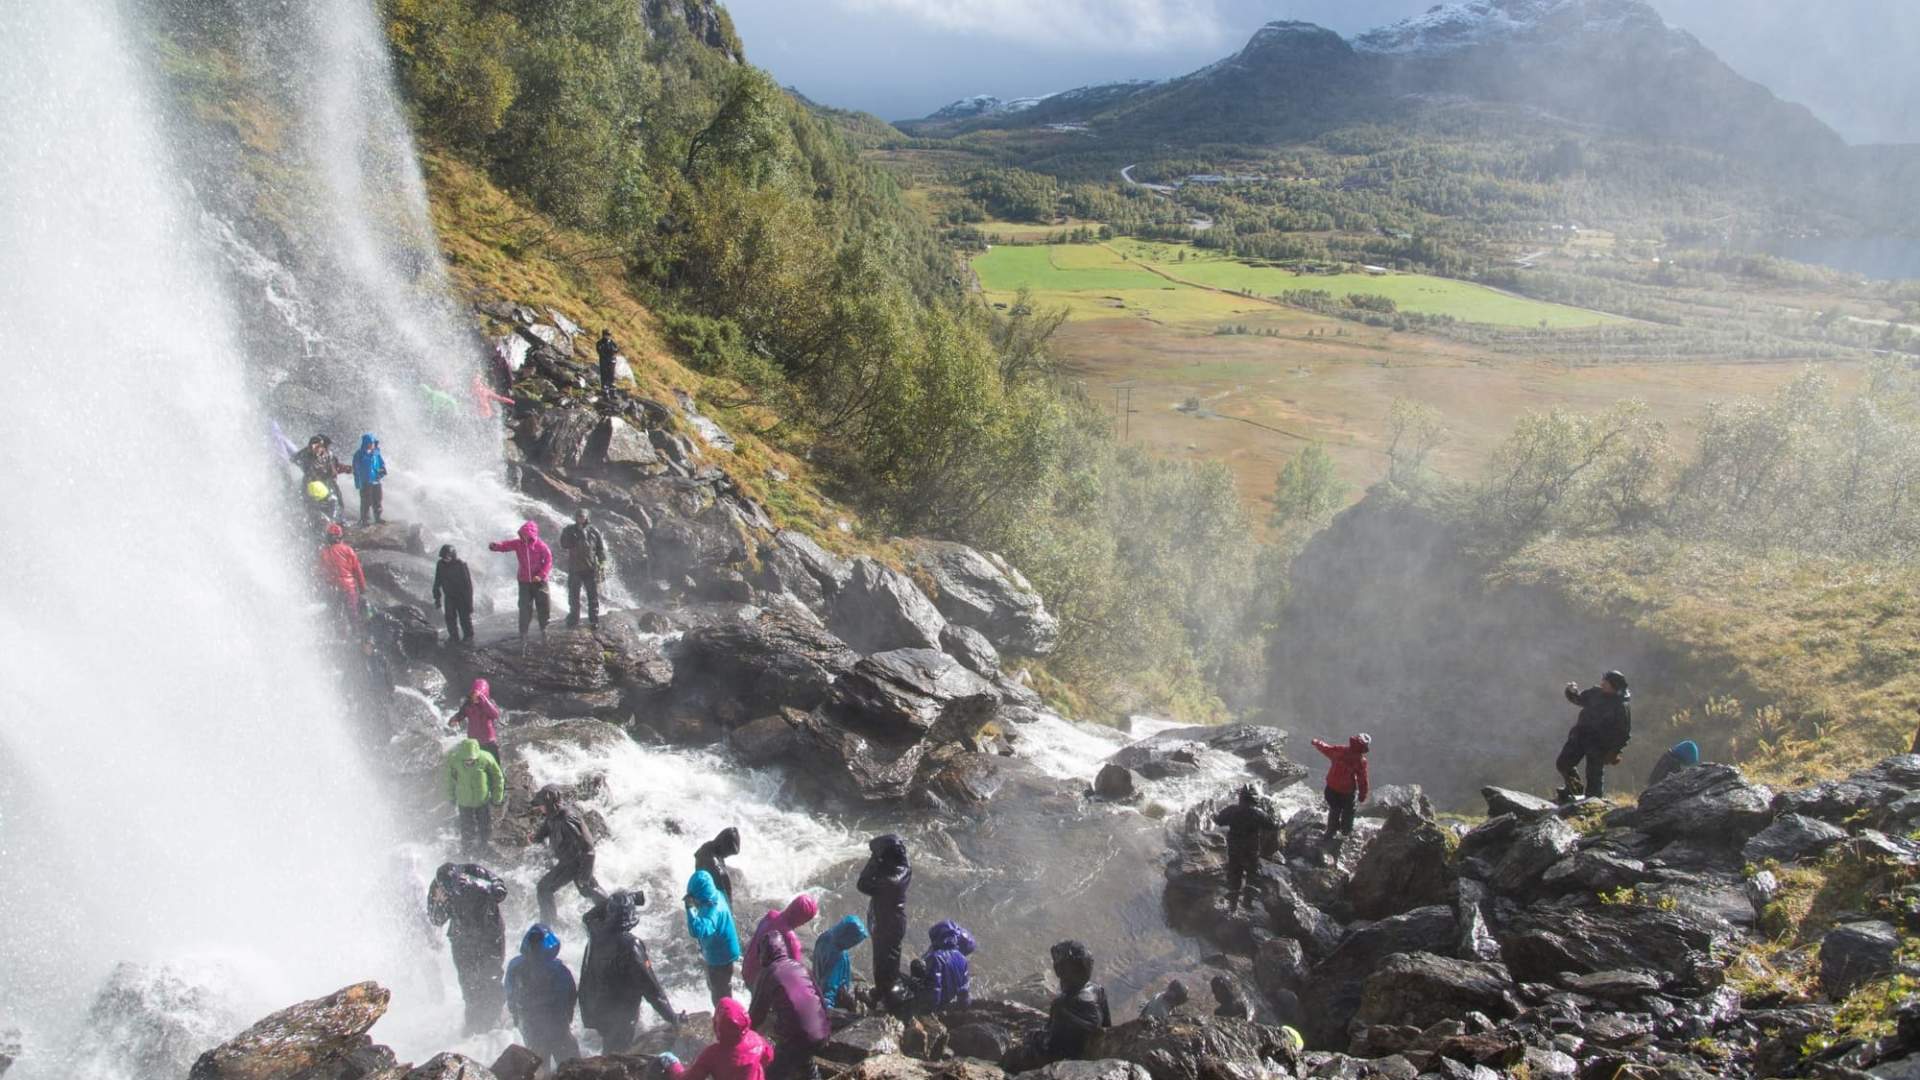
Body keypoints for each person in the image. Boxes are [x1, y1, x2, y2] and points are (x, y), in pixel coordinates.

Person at [580, 890, 681, 1054]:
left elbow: (588, 917)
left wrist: (615, 902)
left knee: (609, 1045)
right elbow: (651, 989)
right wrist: (673, 1018)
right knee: (618, 1052)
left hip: (597, 1008)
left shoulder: (596, 931)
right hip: (620, 1014)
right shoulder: (631, 946)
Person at [427, 862, 508, 1034]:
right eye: (448, 889)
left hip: (489, 934)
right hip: (462, 939)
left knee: (491, 976)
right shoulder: (437, 888)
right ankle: (473, 1022)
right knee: (468, 981)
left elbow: (501, 892)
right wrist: (439, 902)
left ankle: (495, 1017)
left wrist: (476, 885)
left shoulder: (474, 871)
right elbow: (436, 920)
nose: (453, 892)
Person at [505, 923, 581, 1070]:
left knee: (538, 1065)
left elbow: (510, 993)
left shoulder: (515, 965)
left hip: (529, 1024)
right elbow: (569, 995)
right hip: (557, 1025)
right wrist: (568, 1016)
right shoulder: (558, 969)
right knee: (572, 1066)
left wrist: (515, 1013)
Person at [531, 786, 608, 924]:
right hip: (567, 861)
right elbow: (546, 829)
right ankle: (611, 911)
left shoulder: (567, 819)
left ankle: (547, 925)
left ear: (549, 803)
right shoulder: (552, 816)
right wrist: (535, 838)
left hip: (577, 862)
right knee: (587, 890)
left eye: (542, 805)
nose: (540, 808)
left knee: (547, 888)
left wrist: (585, 873)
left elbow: (589, 849)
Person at [748, 956, 831, 1080]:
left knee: (773, 1073)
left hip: (798, 1038)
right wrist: (827, 1027)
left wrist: (745, 1035)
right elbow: (821, 1000)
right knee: (803, 1055)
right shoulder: (800, 967)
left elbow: (757, 1012)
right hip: (821, 1032)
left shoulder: (770, 972)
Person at [1557, 671, 1633, 801]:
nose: (1602, 683)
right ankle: (1574, 790)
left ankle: (1593, 802)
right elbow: (1579, 699)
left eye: (1606, 682)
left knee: (1594, 775)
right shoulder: (1595, 693)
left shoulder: (1621, 706)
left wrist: (1614, 752)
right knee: (1564, 763)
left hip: (1600, 744)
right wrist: (1571, 691)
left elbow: (1623, 733)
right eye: (1603, 680)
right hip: (1580, 736)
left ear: (1614, 686)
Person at [856, 834, 911, 1001]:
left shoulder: (888, 881)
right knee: (889, 959)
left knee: (882, 960)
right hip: (894, 920)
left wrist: (874, 860)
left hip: (886, 923)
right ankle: (886, 989)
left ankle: (884, 994)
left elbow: (862, 884)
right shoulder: (904, 868)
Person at [664, 999, 773, 1080]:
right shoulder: (757, 1040)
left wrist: (673, 1065)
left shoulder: (712, 1054)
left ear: (717, 1027)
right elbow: (768, 1057)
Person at [1211, 785, 1278, 912]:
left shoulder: (1232, 810)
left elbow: (1219, 821)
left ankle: (1233, 906)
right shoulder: (1259, 813)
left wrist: (1213, 813)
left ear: (1241, 798)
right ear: (1255, 799)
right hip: (1251, 850)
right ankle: (1247, 903)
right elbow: (1272, 825)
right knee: (1252, 875)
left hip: (1234, 849)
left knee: (1234, 875)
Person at [1043, 940, 1110, 1062]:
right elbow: (1107, 1028)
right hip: (1094, 1052)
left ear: (1060, 971)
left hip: (1070, 1062)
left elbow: (1050, 1045)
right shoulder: (1098, 991)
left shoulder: (1060, 1005)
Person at [685, 868, 743, 1005]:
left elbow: (697, 930)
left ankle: (724, 1014)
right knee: (722, 985)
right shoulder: (717, 894)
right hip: (726, 949)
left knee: (719, 991)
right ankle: (728, 1009)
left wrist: (690, 908)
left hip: (720, 957)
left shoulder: (712, 912)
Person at [490, 520, 553, 641]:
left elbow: (548, 561)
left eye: (527, 534)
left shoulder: (541, 546)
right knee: (524, 607)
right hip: (524, 580)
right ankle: (523, 632)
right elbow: (505, 545)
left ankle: (544, 629)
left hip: (539, 581)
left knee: (543, 606)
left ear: (533, 534)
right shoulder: (518, 544)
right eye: (523, 533)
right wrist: (495, 546)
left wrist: (541, 575)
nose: (524, 536)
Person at [445, 738, 505, 857]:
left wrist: (497, 796)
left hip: (482, 800)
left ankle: (485, 847)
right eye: (466, 760)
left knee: (485, 825)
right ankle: (467, 851)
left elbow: (498, 777)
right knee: (467, 828)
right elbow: (449, 780)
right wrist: (451, 796)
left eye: (472, 760)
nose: (469, 762)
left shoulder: (486, 758)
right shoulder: (454, 759)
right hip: (464, 801)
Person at [743, 895, 819, 987]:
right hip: (760, 984)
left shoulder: (771, 915)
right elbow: (796, 975)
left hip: (747, 967)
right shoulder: (791, 940)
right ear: (803, 920)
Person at [1310, 734, 1371, 840]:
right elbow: (1362, 780)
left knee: (1334, 809)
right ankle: (1345, 832)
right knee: (1349, 811)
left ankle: (1330, 831)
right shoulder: (1360, 761)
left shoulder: (1340, 750)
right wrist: (1362, 794)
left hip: (1331, 788)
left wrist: (1316, 742)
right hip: (1346, 791)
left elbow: (1326, 748)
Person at [559, 508, 608, 630]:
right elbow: (564, 544)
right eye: (578, 516)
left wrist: (602, 563)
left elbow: (600, 549)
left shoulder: (593, 531)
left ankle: (594, 620)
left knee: (593, 596)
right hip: (574, 568)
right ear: (575, 517)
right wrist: (575, 537)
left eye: (583, 516)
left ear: (587, 517)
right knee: (573, 596)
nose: (580, 518)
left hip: (590, 568)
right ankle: (574, 618)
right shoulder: (569, 529)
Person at [316, 523, 367, 633]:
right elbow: (358, 571)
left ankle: (341, 636)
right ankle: (358, 636)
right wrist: (362, 589)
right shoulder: (348, 550)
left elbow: (319, 573)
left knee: (336, 613)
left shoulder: (324, 552)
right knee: (353, 613)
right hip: (349, 587)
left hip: (333, 587)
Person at [811, 916, 868, 1011]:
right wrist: (828, 1008)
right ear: (848, 937)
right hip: (836, 997)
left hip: (817, 983)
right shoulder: (838, 958)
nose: (854, 944)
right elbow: (830, 987)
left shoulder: (825, 936)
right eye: (854, 941)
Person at [449, 678, 503, 770]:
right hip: (474, 741)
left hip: (488, 739)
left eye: (477, 695)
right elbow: (461, 714)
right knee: (475, 766)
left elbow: (495, 714)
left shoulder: (489, 703)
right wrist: (455, 720)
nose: (474, 697)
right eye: (473, 694)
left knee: (494, 765)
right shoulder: (468, 704)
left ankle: (500, 782)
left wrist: (483, 700)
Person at [922, 920, 976, 1011]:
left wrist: (931, 1008)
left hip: (936, 1001)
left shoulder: (936, 957)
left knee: (916, 966)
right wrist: (965, 1006)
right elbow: (964, 989)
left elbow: (935, 986)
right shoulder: (963, 960)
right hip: (948, 999)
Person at [292, 434, 348, 518]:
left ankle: (338, 520)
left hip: (327, 481)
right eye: (315, 446)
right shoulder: (306, 455)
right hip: (313, 483)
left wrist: (347, 469)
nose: (319, 449)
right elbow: (295, 460)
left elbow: (335, 466)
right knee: (312, 502)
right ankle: (316, 520)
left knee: (336, 499)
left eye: (321, 446)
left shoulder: (328, 454)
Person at [432, 545, 476, 645]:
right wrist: (437, 598)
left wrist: (469, 603)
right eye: (443, 558)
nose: (445, 559)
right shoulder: (440, 565)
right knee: (449, 617)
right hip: (449, 596)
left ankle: (468, 636)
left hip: (462, 595)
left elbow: (468, 585)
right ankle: (453, 637)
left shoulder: (461, 564)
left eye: (447, 557)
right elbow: (437, 582)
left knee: (464, 617)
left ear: (453, 555)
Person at [695, 827, 741, 902]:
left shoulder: (709, 845)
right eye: (728, 853)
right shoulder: (713, 863)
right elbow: (723, 882)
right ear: (723, 846)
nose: (728, 856)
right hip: (706, 894)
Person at [351, 434, 387, 525]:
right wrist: (357, 482)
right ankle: (364, 519)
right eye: (370, 443)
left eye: (373, 443)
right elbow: (356, 468)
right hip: (365, 481)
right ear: (366, 443)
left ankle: (378, 517)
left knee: (377, 499)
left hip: (376, 480)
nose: (372, 445)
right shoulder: (359, 454)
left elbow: (381, 463)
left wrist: (382, 470)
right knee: (366, 501)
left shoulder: (376, 453)